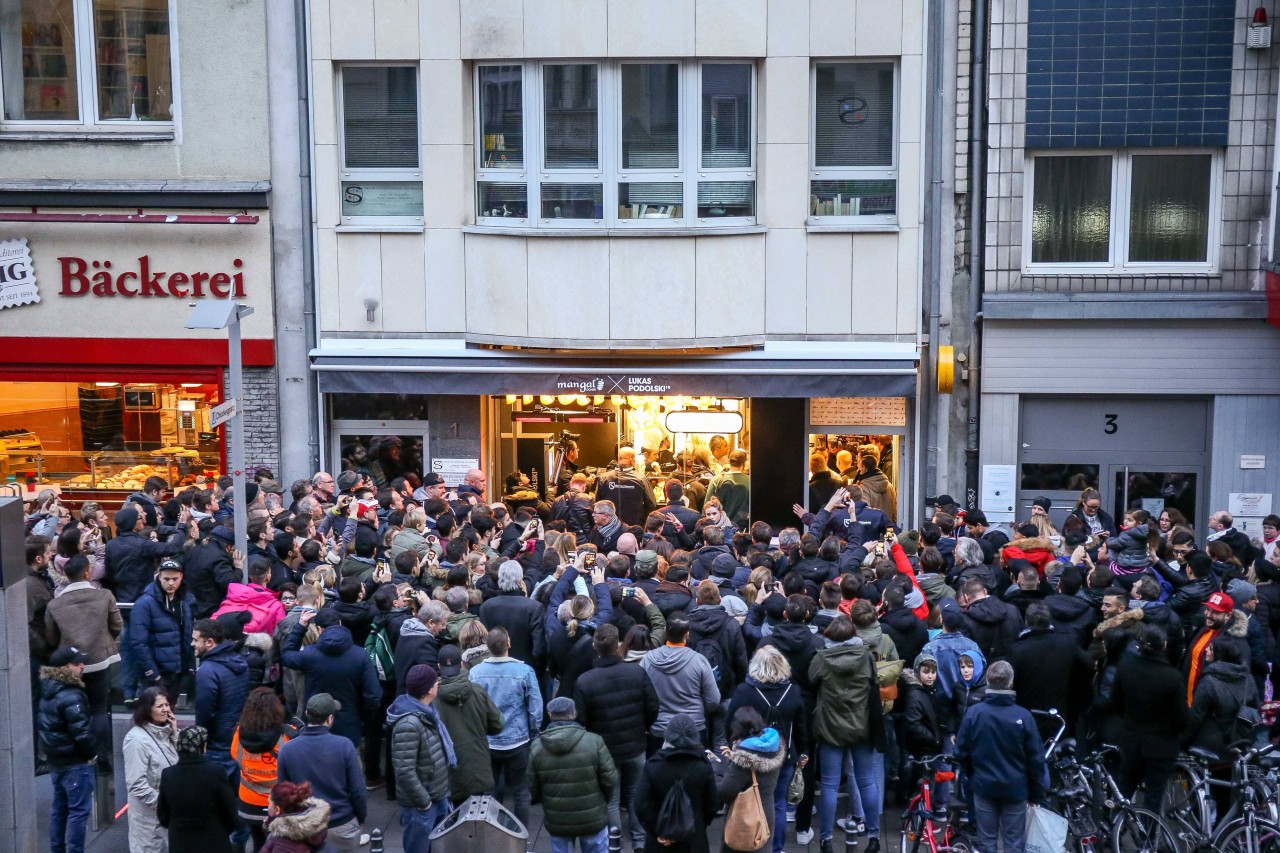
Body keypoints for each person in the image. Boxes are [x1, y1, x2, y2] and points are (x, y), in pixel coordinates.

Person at [574, 623, 659, 851]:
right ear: (618, 645)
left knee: (611, 799)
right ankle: (640, 841)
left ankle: (614, 842)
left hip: (605, 750)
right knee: (635, 794)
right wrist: (643, 727)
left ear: (595, 647)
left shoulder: (585, 681)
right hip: (636, 745)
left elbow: (581, 720)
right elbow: (653, 706)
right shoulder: (637, 673)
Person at [955, 661, 1047, 853]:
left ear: (988, 681)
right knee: (1014, 843)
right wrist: (1036, 792)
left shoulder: (974, 714)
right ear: (1011, 683)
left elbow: (961, 752)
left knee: (987, 841)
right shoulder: (1023, 716)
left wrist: (972, 776)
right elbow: (1036, 759)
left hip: (984, 786)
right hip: (1016, 789)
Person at [809, 615, 883, 853]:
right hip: (862, 726)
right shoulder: (866, 657)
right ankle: (873, 836)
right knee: (866, 781)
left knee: (830, 785)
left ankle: (826, 840)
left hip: (830, 727)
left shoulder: (822, 658)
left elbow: (811, 679)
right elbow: (874, 683)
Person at [727, 646, 809, 853]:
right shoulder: (793, 691)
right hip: (784, 756)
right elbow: (801, 727)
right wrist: (803, 752)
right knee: (778, 804)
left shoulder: (745, 691)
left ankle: (748, 841)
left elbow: (729, 721)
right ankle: (776, 848)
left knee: (747, 801)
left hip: (749, 757)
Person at [44, 553, 121, 768]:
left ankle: (81, 755)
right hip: (99, 660)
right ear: (87, 572)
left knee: (75, 708)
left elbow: (51, 637)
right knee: (99, 708)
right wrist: (106, 640)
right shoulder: (104, 596)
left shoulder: (55, 605)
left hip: (69, 663)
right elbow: (117, 625)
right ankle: (103, 756)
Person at [469, 627, 543, 827]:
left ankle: (493, 834)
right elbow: (535, 707)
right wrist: (534, 731)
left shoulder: (475, 673)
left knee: (491, 792)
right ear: (509, 644)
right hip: (518, 740)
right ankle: (520, 837)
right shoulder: (524, 671)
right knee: (520, 791)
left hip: (488, 741)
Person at [276, 694, 368, 853]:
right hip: (341, 824)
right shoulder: (344, 746)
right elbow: (358, 791)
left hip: (304, 827)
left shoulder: (287, 749)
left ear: (306, 715)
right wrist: (359, 818)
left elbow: (283, 795)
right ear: (330, 718)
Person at [1111, 626, 1188, 812]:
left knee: (1124, 789)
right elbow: (1181, 717)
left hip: (1131, 739)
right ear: (1164, 645)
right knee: (1154, 794)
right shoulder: (1172, 677)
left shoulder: (1126, 668)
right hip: (1161, 745)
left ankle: (1114, 832)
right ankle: (1149, 836)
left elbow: (1116, 702)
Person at [528, 696, 619, 853]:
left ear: (550, 715)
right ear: (574, 713)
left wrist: (544, 800)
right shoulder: (594, 741)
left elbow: (532, 784)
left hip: (557, 818)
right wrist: (603, 799)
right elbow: (610, 778)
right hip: (592, 817)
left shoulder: (537, 746)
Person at [281, 607, 380, 748]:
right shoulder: (360, 655)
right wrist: (362, 717)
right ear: (340, 623)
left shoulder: (310, 655)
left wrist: (301, 627)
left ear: (319, 629)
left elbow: (286, 655)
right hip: (349, 724)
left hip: (316, 725)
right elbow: (373, 695)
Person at [387, 664, 455, 853]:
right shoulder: (409, 724)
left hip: (437, 797)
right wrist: (424, 802)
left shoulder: (427, 712)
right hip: (422, 805)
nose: (438, 683)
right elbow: (404, 770)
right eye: (436, 681)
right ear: (428, 690)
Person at [38, 646, 97, 853]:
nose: (82, 666)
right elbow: (81, 732)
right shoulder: (71, 694)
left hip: (57, 762)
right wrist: (92, 754)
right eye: (76, 663)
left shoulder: (49, 689)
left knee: (59, 810)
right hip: (75, 763)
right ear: (64, 668)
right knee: (78, 813)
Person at [633, 713, 718, 853]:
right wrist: (700, 824)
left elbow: (640, 804)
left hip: (661, 843)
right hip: (694, 839)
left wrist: (657, 830)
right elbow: (712, 803)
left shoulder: (653, 765)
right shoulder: (703, 766)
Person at [434, 644, 504, 804]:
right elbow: (497, 724)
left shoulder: (433, 700)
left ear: (439, 666)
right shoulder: (477, 692)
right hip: (478, 768)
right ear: (461, 664)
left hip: (449, 773)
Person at [641, 614, 721, 750]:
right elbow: (713, 700)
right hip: (694, 728)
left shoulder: (647, 660)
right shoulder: (699, 661)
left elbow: (641, 696)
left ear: (665, 630)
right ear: (687, 635)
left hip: (660, 728)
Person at [157, 725, 240, 853]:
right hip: (214, 840)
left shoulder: (168, 774)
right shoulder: (215, 771)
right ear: (202, 746)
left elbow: (163, 815)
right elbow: (230, 810)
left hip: (181, 842)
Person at [231, 687, 294, 850]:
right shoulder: (287, 734)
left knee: (258, 841)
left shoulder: (240, 732)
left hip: (249, 802)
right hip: (277, 802)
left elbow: (234, 755)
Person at [717, 706, 786, 853]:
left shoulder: (744, 758)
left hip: (746, 817)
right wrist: (734, 756)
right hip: (766, 813)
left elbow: (725, 792)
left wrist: (718, 771)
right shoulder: (773, 746)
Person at [192, 617, 252, 781]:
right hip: (237, 739)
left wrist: (201, 741)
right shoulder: (239, 661)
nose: (192, 644)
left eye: (195, 640)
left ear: (209, 642)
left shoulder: (207, 670)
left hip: (217, 745)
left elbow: (204, 713)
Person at [129, 558, 195, 705]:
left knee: (167, 714)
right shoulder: (144, 604)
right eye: (166, 579)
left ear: (181, 578)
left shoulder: (184, 601)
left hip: (175, 673)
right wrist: (153, 674)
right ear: (158, 577)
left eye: (174, 579)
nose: (171, 583)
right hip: (156, 675)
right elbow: (138, 643)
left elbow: (187, 635)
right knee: (153, 717)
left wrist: (188, 666)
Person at [123, 687, 179, 853]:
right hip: (148, 819)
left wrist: (175, 733)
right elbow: (136, 784)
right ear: (147, 710)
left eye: (167, 705)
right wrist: (163, 804)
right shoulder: (136, 740)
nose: (165, 710)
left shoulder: (168, 733)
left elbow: (185, 761)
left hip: (168, 815)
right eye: (159, 706)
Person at [479, 561, 546, 670]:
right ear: (520, 579)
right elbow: (539, 648)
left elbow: (483, 643)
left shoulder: (486, 607)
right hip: (525, 668)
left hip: (495, 668)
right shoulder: (534, 607)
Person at [183, 526, 243, 619]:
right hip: (210, 609)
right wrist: (238, 569)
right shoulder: (220, 558)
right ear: (228, 546)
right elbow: (230, 583)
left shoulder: (193, 551)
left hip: (191, 605)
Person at [261, 781, 331, 853]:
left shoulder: (283, 844)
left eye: (269, 803)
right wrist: (270, 825)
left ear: (277, 809)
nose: (268, 806)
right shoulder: (314, 822)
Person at [595, 447, 657, 526]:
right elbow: (652, 504)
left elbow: (597, 503)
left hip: (609, 527)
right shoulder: (641, 479)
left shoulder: (603, 478)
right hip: (634, 527)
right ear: (631, 460)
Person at [706, 449, 751, 530]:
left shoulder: (716, 480)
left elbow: (706, 506)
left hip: (719, 529)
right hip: (742, 529)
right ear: (743, 464)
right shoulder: (750, 481)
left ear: (729, 462)